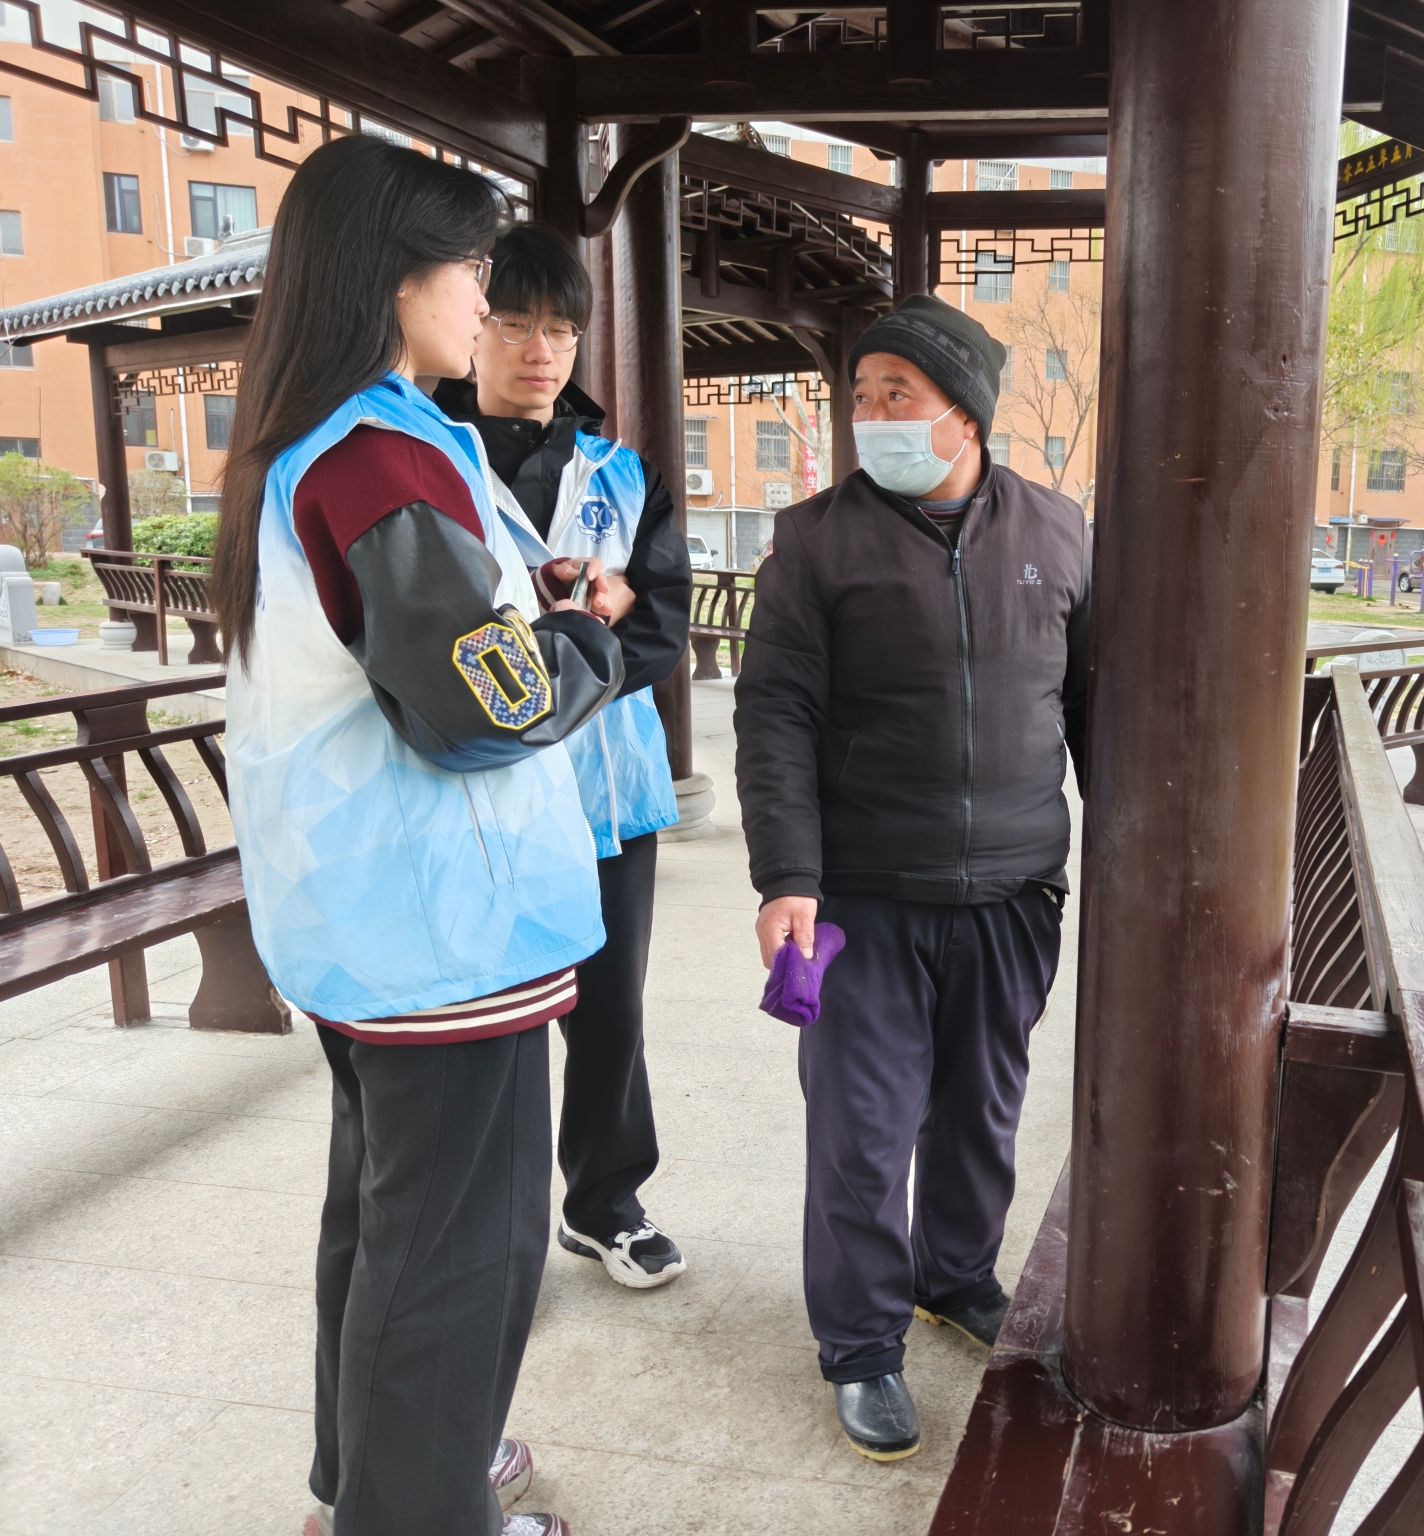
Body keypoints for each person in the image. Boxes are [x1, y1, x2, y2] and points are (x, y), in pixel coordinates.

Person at [215, 136, 629, 1536]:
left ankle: (379, 1491)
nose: (485, 298)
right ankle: (418, 1516)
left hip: (370, 919)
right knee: (462, 1253)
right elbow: (483, 701)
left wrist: (523, 604)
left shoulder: (321, 438)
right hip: (446, 921)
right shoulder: (382, 455)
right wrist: (584, 639)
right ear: (395, 278)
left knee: (390, 1226)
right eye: (470, 268)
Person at [734, 295, 1090, 1462]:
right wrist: (786, 876)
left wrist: (1124, 855)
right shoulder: (814, 542)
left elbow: (1094, 707)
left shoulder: (1058, 532)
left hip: (1012, 892)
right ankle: (860, 1346)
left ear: (966, 411)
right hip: (863, 897)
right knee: (862, 1131)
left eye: (899, 393)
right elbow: (774, 718)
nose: (873, 414)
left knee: (982, 1114)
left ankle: (955, 1277)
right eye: (861, 393)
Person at [437, 224, 696, 1289]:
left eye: (561, 329)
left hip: (606, 791)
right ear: (473, 326)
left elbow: (662, 625)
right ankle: (483, 1232)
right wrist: (576, 636)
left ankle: (605, 1203)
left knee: (609, 1008)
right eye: (513, 323)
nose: (540, 349)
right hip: (473, 790)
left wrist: (556, 667)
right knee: (483, 1014)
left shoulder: (622, 476)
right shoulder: (425, 458)